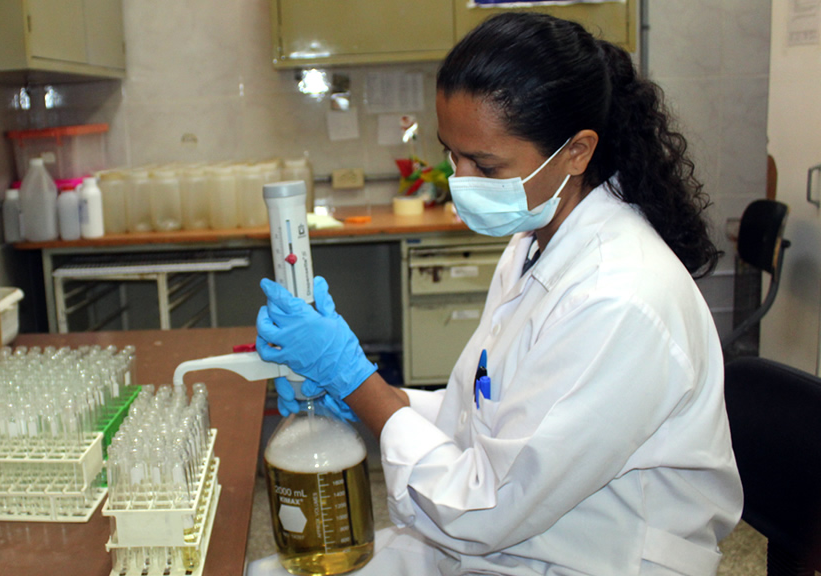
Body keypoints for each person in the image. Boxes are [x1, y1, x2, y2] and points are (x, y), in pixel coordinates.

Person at [250, 11, 743, 576]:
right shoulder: (536, 241)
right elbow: (481, 415)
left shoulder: (621, 299)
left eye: (484, 164)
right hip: (525, 539)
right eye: (452, 154)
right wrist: (366, 393)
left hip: (598, 557)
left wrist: (359, 385)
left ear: (577, 152)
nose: (460, 182)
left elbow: (487, 506)